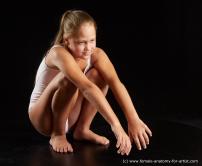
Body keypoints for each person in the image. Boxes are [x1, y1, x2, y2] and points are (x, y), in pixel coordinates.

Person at [28, 9, 152, 155]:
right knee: (69, 79)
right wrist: (116, 125)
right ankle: (58, 134)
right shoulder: (58, 53)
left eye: (92, 40)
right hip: (43, 117)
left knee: (100, 75)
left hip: (68, 112)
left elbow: (116, 84)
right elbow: (87, 87)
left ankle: (82, 129)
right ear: (66, 40)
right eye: (82, 42)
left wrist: (133, 119)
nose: (88, 47)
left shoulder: (96, 54)